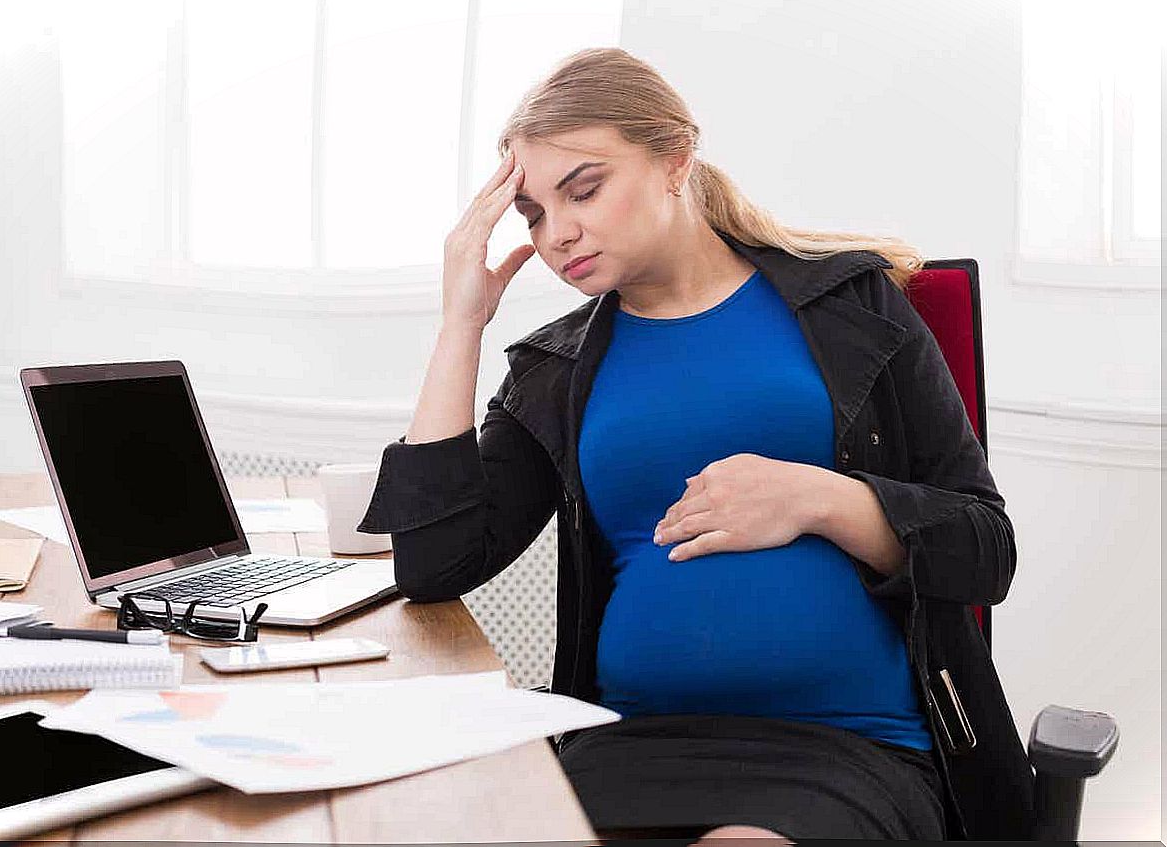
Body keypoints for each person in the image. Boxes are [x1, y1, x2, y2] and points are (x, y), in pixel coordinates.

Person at [357, 47, 1034, 842]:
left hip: (847, 748)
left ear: (675, 159)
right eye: (533, 214)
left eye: (584, 188)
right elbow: (434, 566)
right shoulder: (556, 371)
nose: (557, 233)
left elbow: (986, 550)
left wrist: (821, 498)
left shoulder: (855, 304)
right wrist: (460, 322)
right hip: (630, 747)